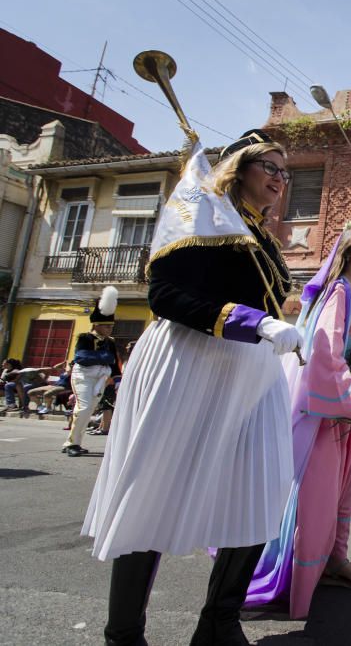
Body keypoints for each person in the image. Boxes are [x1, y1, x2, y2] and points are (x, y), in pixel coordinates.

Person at [82, 129, 303, 645]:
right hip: (191, 359)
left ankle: (219, 623)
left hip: (253, 370)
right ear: (238, 168)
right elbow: (165, 295)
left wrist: (278, 318)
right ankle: (124, 634)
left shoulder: (263, 237)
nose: (279, 178)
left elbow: (264, 300)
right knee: (155, 492)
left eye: (284, 172)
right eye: (269, 166)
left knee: (263, 490)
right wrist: (253, 321)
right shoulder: (201, 211)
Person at [245, 223, 351, 618]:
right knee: (319, 495)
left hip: (342, 409)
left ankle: (335, 560)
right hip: (328, 411)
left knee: (344, 487)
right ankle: (304, 571)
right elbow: (324, 353)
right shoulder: (339, 290)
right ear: (348, 251)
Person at [63, 288, 121, 457]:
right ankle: (71, 443)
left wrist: (117, 379)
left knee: (89, 410)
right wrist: (104, 357)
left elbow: (114, 363)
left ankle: (74, 442)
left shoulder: (110, 342)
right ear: (96, 325)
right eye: (106, 325)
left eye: (111, 326)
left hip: (101, 378)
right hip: (84, 375)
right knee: (84, 408)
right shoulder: (85, 338)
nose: (109, 329)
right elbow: (81, 357)